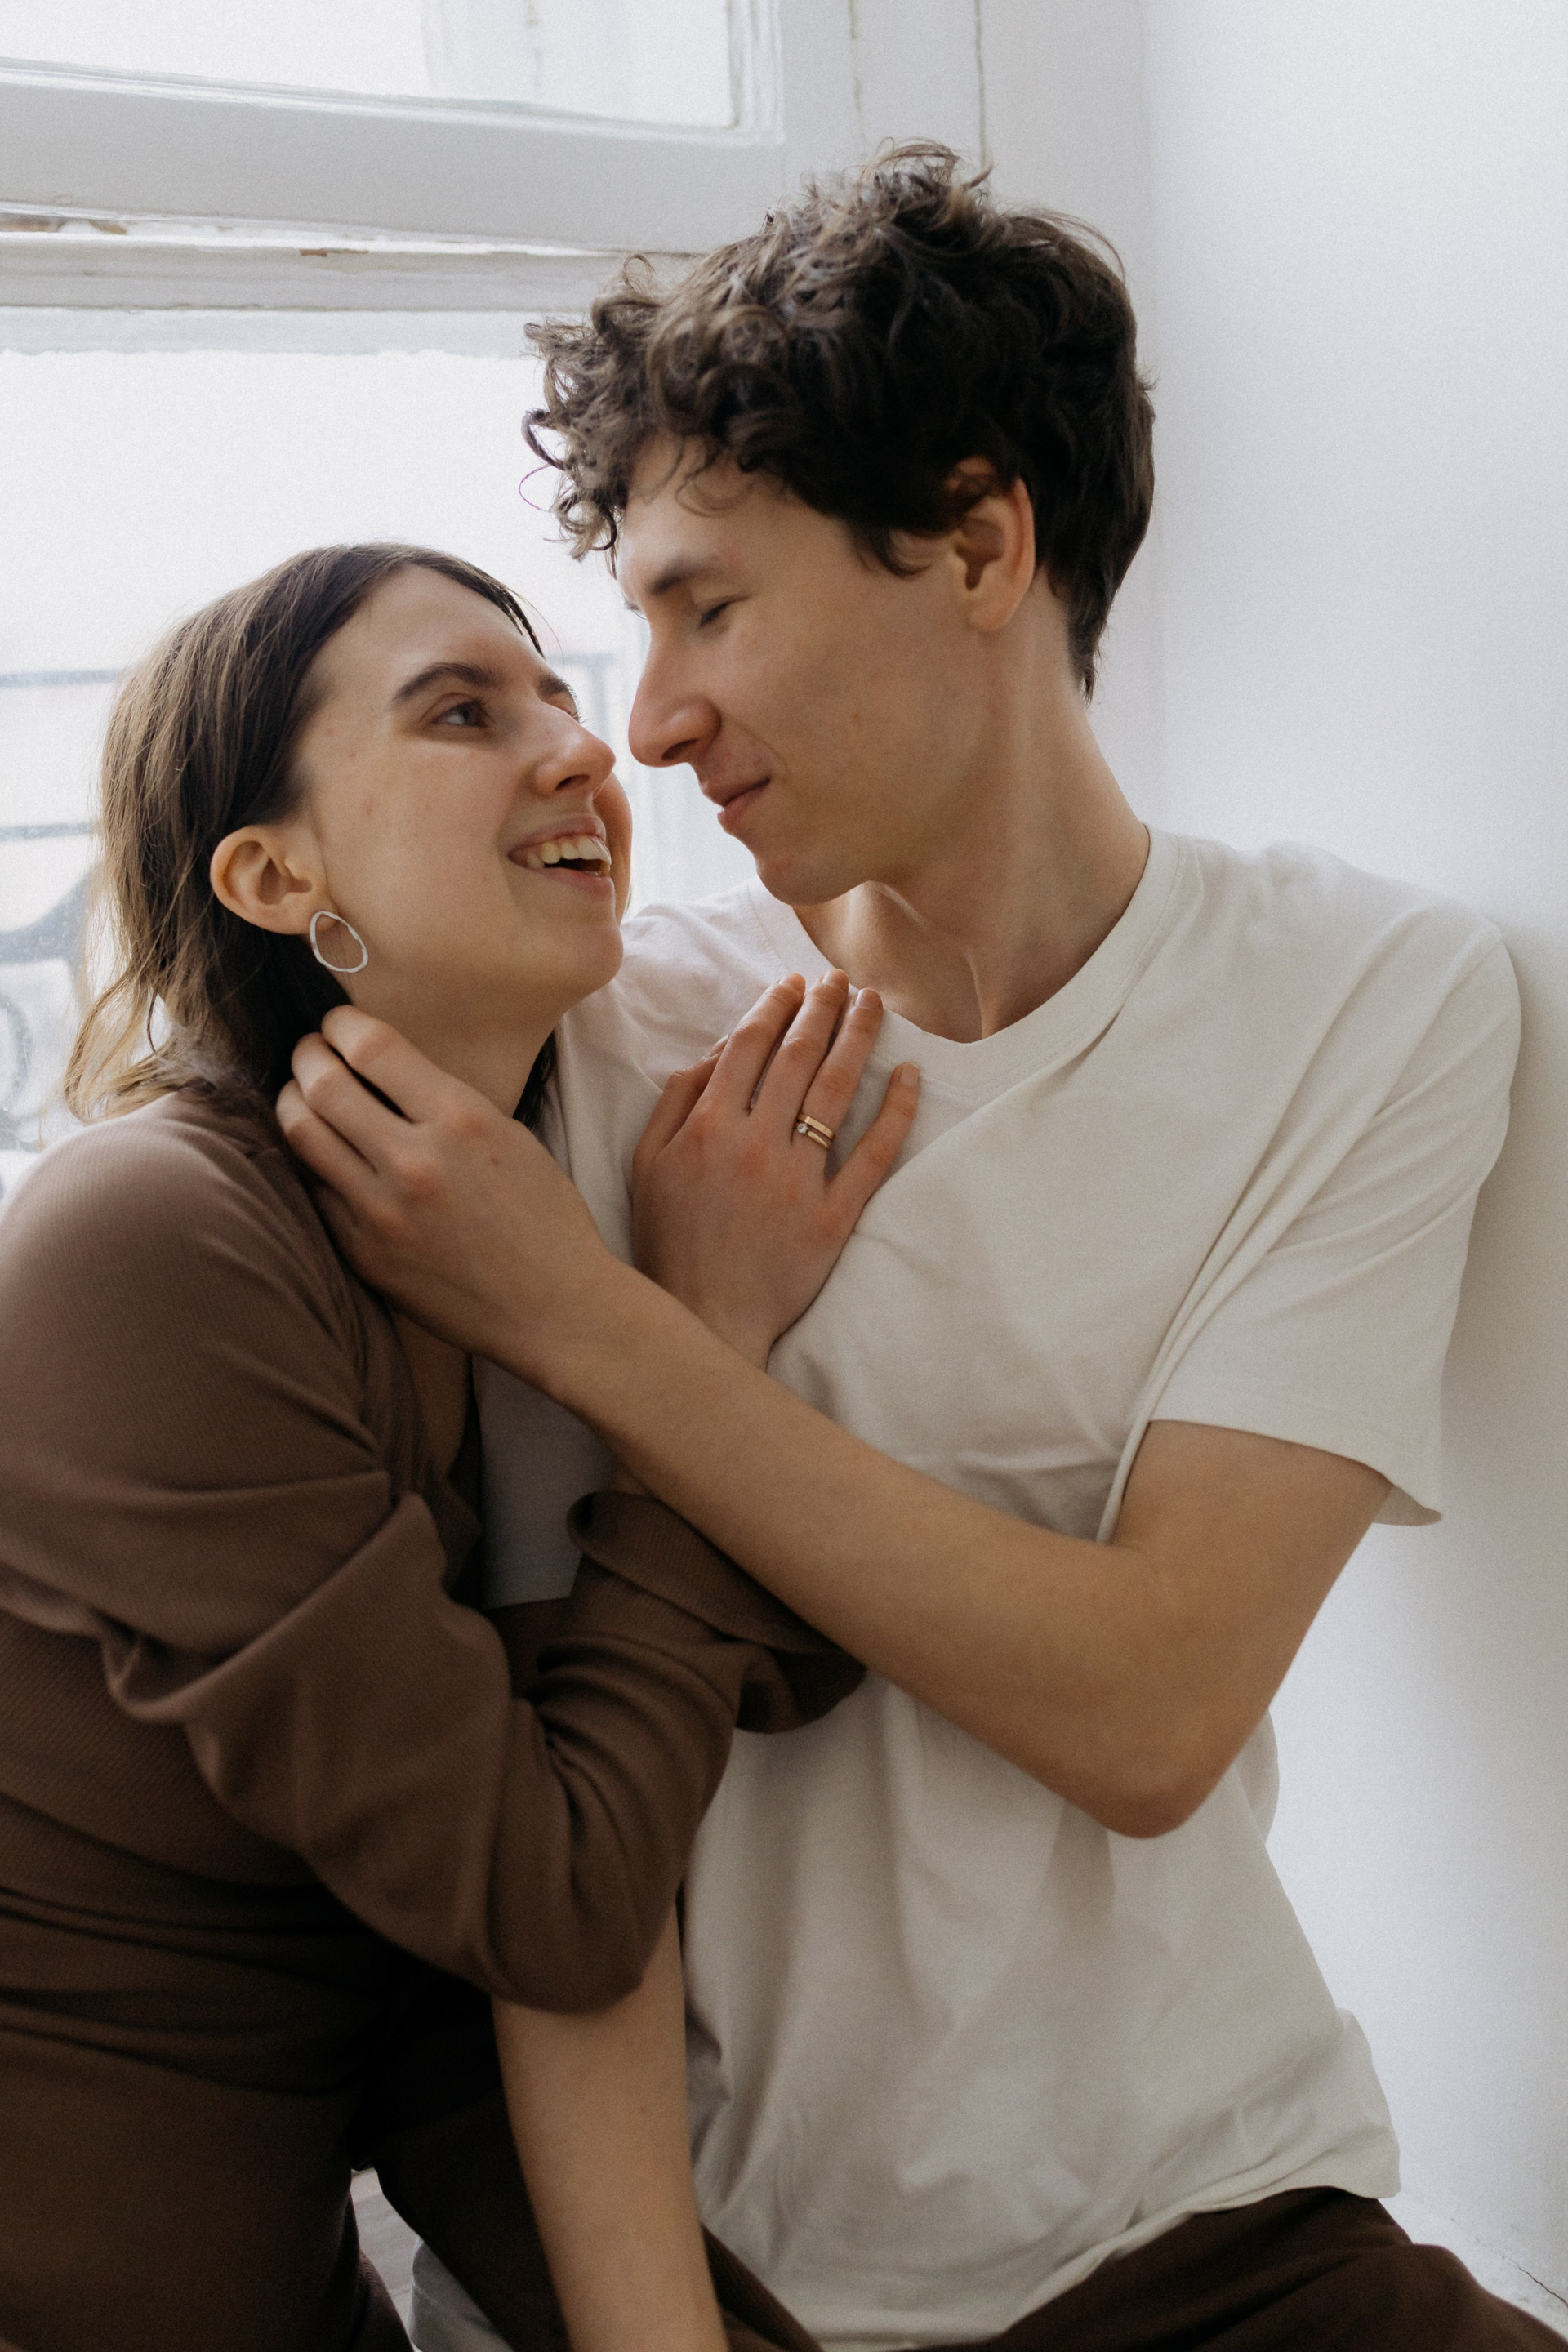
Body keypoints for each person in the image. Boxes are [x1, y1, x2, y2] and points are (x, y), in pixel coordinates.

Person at [282, 152, 1549, 2351]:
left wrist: (604, 1324)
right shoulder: (592, 1042)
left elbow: (1151, 1708)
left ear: (977, 545)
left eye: (708, 609)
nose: (645, 722)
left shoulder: (1374, 1002)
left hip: (1216, 2218)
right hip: (713, 2265)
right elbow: (549, 1820)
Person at [0, 540, 917, 2352]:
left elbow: (801, 1669)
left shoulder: (504, 1230)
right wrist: (688, 1348)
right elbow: (554, 1899)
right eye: (461, 713)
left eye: (557, 695)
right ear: (277, 877)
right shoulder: (153, 1244)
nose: (585, 748)